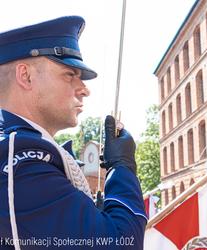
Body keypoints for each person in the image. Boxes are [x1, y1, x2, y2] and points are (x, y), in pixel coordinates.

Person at [0, 16, 147, 249]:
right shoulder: (19, 160)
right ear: (25, 76)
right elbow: (121, 244)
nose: (84, 90)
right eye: (70, 74)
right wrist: (122, 169)